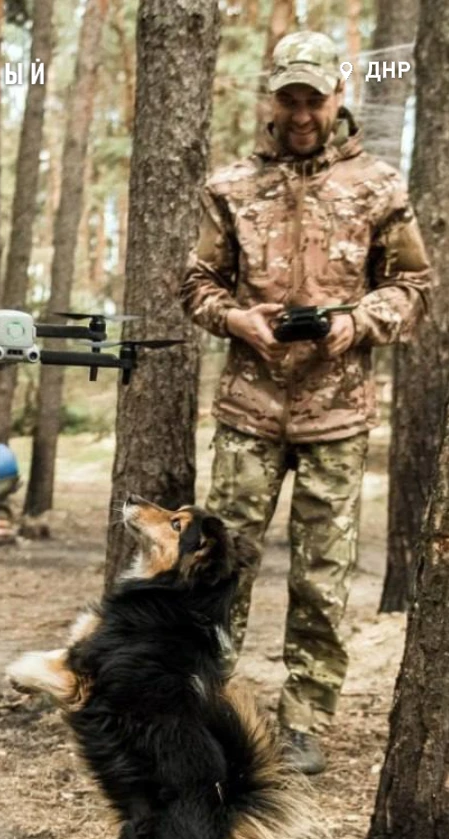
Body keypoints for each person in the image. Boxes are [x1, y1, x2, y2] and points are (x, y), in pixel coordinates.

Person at [181, 30, 431, 774]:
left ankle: (303, 723)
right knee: (219, 568)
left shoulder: (377, 185)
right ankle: (210, 709)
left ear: (336, 97)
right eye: (288, 98)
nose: (299, 114)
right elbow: (196, 284)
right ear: (272, 98)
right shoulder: (231, 186)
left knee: (322, 579)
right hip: (248, 411)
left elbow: (414, 287)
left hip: (337, 415)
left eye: (312, 100)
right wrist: (237, 320)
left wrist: (357, 321)